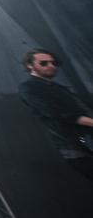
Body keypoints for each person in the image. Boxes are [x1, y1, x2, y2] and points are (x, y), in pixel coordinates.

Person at [18, 49, 93, 183]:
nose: (51, 66)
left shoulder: (59, 88)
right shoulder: (28, 88)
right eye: (44, 63)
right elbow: (57, 113)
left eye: (53, 63)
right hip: (74, 145)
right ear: (30, 65)